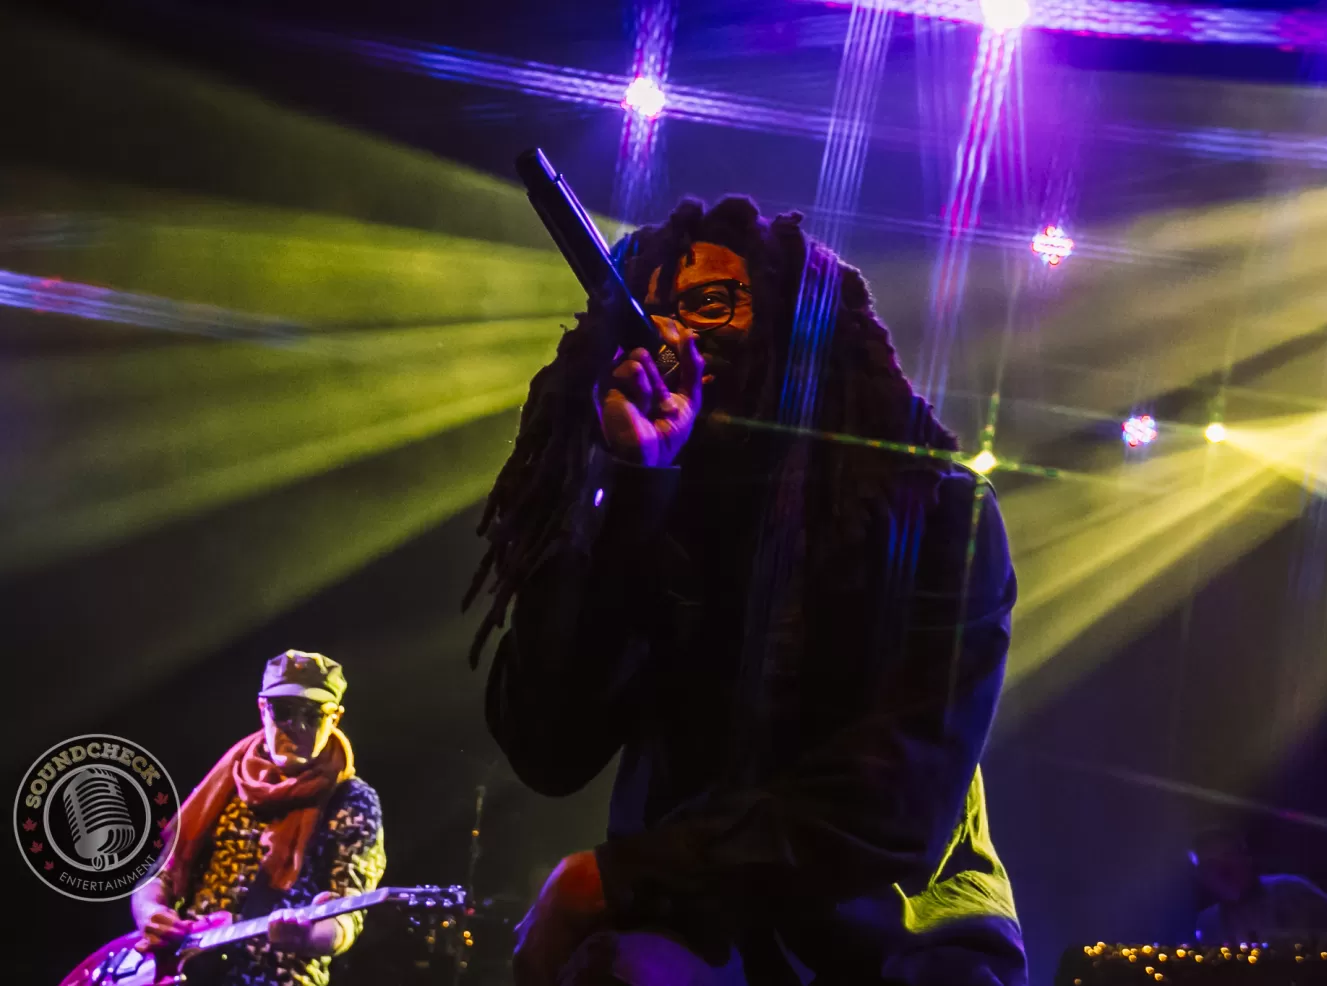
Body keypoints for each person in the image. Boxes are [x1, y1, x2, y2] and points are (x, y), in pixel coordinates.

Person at [466, 197, 1025, 985]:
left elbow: (893, 804)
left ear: (800, 328)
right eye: (647, 315)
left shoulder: (934, 512)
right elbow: (547, 749)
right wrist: (623, 495)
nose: (670, 337)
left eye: (710, 303)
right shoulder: (655, 511)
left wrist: (616, 879)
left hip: (902, 937)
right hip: (695, 929)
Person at [130, 650, 386, 986]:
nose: (297, 726)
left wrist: (308, 938)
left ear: (335, 718)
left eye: (313, 715)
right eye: (284, 711)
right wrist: (151, 914)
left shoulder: (351, 799)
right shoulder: (225, 781)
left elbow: (347, 918)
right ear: (263, 708)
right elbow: (160, 875)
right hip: (182, 973)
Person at [1190, 827, 1327, 946]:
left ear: (1246, 858)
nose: (1222, 871)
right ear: (1201, 876)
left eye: (1228, 856)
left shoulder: (1292, 892)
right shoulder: (1207, 923)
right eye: (1210, 865)